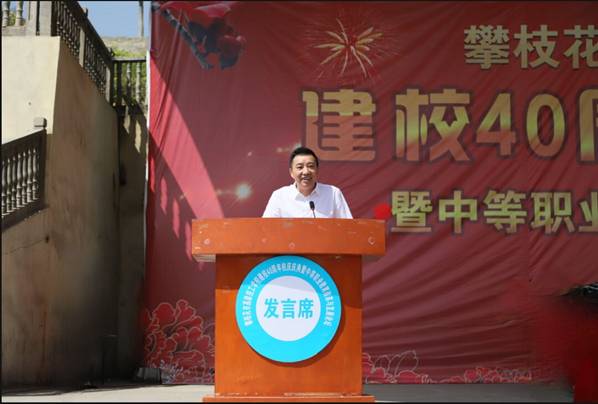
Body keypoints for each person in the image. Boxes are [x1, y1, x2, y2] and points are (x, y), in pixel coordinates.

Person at [262, 146, 353, 218]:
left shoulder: (333, 193)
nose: (306, 172)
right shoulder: (279, 196)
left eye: (310, 166)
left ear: (317, 170)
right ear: (291, 172)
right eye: (300, 167)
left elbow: (347, 227)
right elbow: (267, 229)